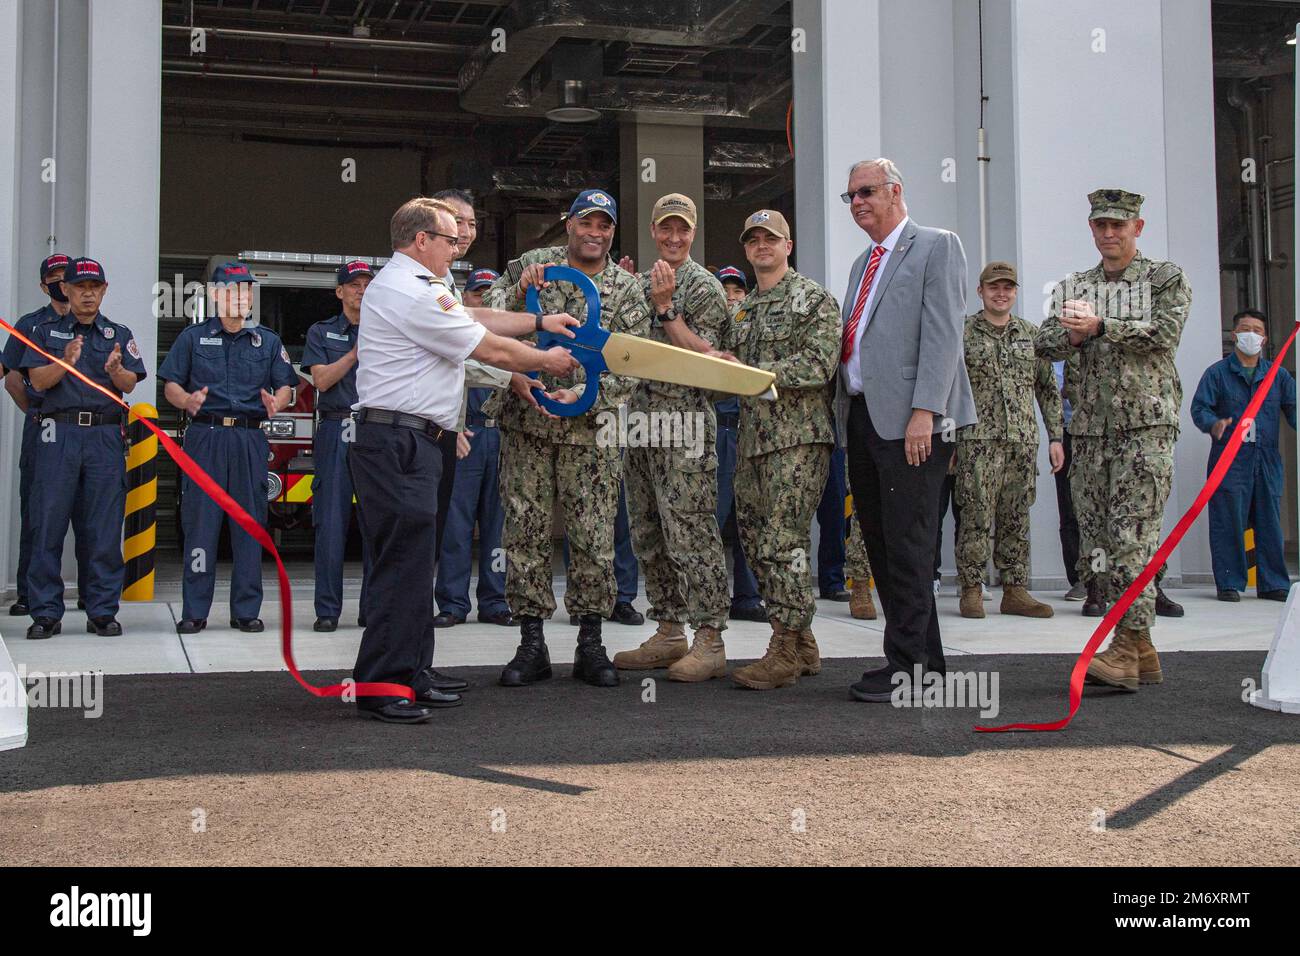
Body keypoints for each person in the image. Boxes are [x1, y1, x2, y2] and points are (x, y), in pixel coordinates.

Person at [351, 196, 580, 723]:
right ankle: (381, 685)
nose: (458, 249)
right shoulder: (409, 290)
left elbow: (475, 314)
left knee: (417, 564)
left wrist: (539, 319)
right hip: (398, 442)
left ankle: (411, 672)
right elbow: (488, 348)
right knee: (402, 567)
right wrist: (547, 358)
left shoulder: (426, 287)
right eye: (451, 240)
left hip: (420, 440)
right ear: (421, 240)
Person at [485, 189, 650, 689]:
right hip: (528, 422)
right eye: (586, 222)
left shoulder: (626, 288)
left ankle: (591, 642)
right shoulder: (535, 266)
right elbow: (487, 319)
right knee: (525, 531)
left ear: (612, 232)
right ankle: (531, 642)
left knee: (594, 537)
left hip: (592, 430)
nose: (594, 232)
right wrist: (514, 372)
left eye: (604, 224)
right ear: (569, 224)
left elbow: (632, 358)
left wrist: (583, 391)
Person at [833, 158, 977, 703]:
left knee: (910, 545)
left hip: (913, 422)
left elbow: (944, 335)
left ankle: (910, 670)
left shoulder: (936, 245)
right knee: (883, 542)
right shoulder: (861, 263)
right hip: (866, 417)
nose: (858, 202)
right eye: (850, 196)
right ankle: (922, 663)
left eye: (866, 191)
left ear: (896, 190)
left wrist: (927, 411)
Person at [1036, 188, 1190, 692]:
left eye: (1118, 226)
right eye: (1101, 225)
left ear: (1137, 229)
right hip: (1091, 430)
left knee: (1132, 541)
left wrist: (1102, 326)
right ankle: (1141, 649)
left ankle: (1125, 648)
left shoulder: (1164, 278)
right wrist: (1074, 336)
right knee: (1098, 545)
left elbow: (1164, 334)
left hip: (1144, 428)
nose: (1109, 234)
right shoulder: (1076, 284)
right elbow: (1045, 341)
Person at [612, 193, 732, 681]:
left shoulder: (704, 288)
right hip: (639, 422)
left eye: (683, 229)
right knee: (648, 532)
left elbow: (708, 360)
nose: (675, 238)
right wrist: (621, 286)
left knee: (691, 531)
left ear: (694, 231)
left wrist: (666, 309)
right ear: (654, 230)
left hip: (684, 424)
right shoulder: (639, 282)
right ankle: (668, 630)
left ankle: (710, 638)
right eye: (667, 229)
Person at [722, 209, 840, 690]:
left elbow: (819, 363)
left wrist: (754, 374)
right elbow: (724, 362)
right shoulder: (744, 310)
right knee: (753, 542)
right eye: (753, 240)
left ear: (788, 245)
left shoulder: (814, 299)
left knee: (783, 542)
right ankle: (804, 639)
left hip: (798, 440)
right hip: (752, 443)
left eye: (771, 239)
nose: (762, 246)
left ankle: (784, 646)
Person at [159, 262, 298, 635]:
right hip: (205, 437)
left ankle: (246, 610)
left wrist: (279, 402)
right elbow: (171, 383)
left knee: (250, 523)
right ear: (216, 295)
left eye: (246, 290)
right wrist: (186, 400)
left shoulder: (266, 341)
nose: (242, 296)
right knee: (201, 525)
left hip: (250, 438)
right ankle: (195, 610)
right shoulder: (193, 338)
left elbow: (286, 385)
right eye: (234, 290)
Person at [21, 257, 148, 639]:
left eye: (95, 287)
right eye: (79, 287)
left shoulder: (118, 334)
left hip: (104, 438)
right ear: (67, 290)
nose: (87, 294)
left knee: (103, 528)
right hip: (58, 436)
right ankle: (45, 612)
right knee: (48, 524)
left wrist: (114, 372)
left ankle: (102, 611)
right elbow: (37, 382)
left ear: (104, 290)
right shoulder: (44, 332)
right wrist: (65, 361)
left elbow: (129, 383)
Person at [954, 261, 1062, 619]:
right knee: (976, 513)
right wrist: (949, 438)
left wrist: (1055, 437)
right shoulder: (963, 333)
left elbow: (1047, 389)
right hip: (977, 439)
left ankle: (1015, 589)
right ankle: (971, 587)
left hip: (1021, 439)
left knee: (1016, 515)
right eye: (994, 287)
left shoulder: (1031, 335)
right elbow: (949, 388)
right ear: (980, 291)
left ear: (1015, 292)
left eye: (1008, 288)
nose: (1001, 294)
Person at [2, 254, 88, 617]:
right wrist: (36, 414)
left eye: (64, 274)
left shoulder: (92, 323)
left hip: (87, 437)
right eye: (53, 276)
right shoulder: (31, 324)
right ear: (45, 285)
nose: (60, 280)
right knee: (38, 515)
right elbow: (10, 377)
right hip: (45, 431)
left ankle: (92, 594)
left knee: (89, 517)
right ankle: (29, 593)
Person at [1191, 308, 1296, 602]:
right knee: (1228, 521)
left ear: (1264, 339)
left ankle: (1273, 583)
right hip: (1230, 460)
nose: (1251, 334)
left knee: (1269, 521)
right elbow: (1200, 408)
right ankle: (1229, 582)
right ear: (1234, 335)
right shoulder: (1217, 374)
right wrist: (1214, 424)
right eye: (1245, 329)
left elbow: (1294, 407)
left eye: (1257, 331)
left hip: (1266, 459)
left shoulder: (1277, 375)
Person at [433, 268, 516, 628]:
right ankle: (452, 602)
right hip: (465, 436)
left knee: (499, 527)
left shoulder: (515, 343)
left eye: (489, 293)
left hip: (502, 438)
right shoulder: (454, 338)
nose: (482, 298)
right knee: (456, 524)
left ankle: (495, 600)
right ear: (465, 298)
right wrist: (451, 428)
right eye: (477, 293)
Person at [301, 259, 371, 632]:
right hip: (334, 427)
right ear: (339, 291)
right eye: (354, 284)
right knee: (330, 522)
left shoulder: (388, 330)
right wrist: (355, 353)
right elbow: (322, 381)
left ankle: (371, 610)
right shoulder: (320, 331)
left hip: (374, 430)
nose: (361, 290)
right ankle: (327, 610)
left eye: (366, 284)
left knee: (376, 524)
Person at [712, 266, 766, 622]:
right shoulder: (709, 327)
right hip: (717, 430)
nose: (732, 296)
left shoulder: (757, 327)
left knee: (751, 516)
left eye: (737, 290)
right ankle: (710, 596)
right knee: (711, 516)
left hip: (749, 430)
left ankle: (747, 596)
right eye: (725, 290)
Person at [1052, 356, 1086, 601]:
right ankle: (1080, 580)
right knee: (1070, 510)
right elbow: (1051, 392)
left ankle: (1106, 578)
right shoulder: (1055, 354)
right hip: (1067, 433)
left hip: (1098, 434)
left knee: (1103, 510)